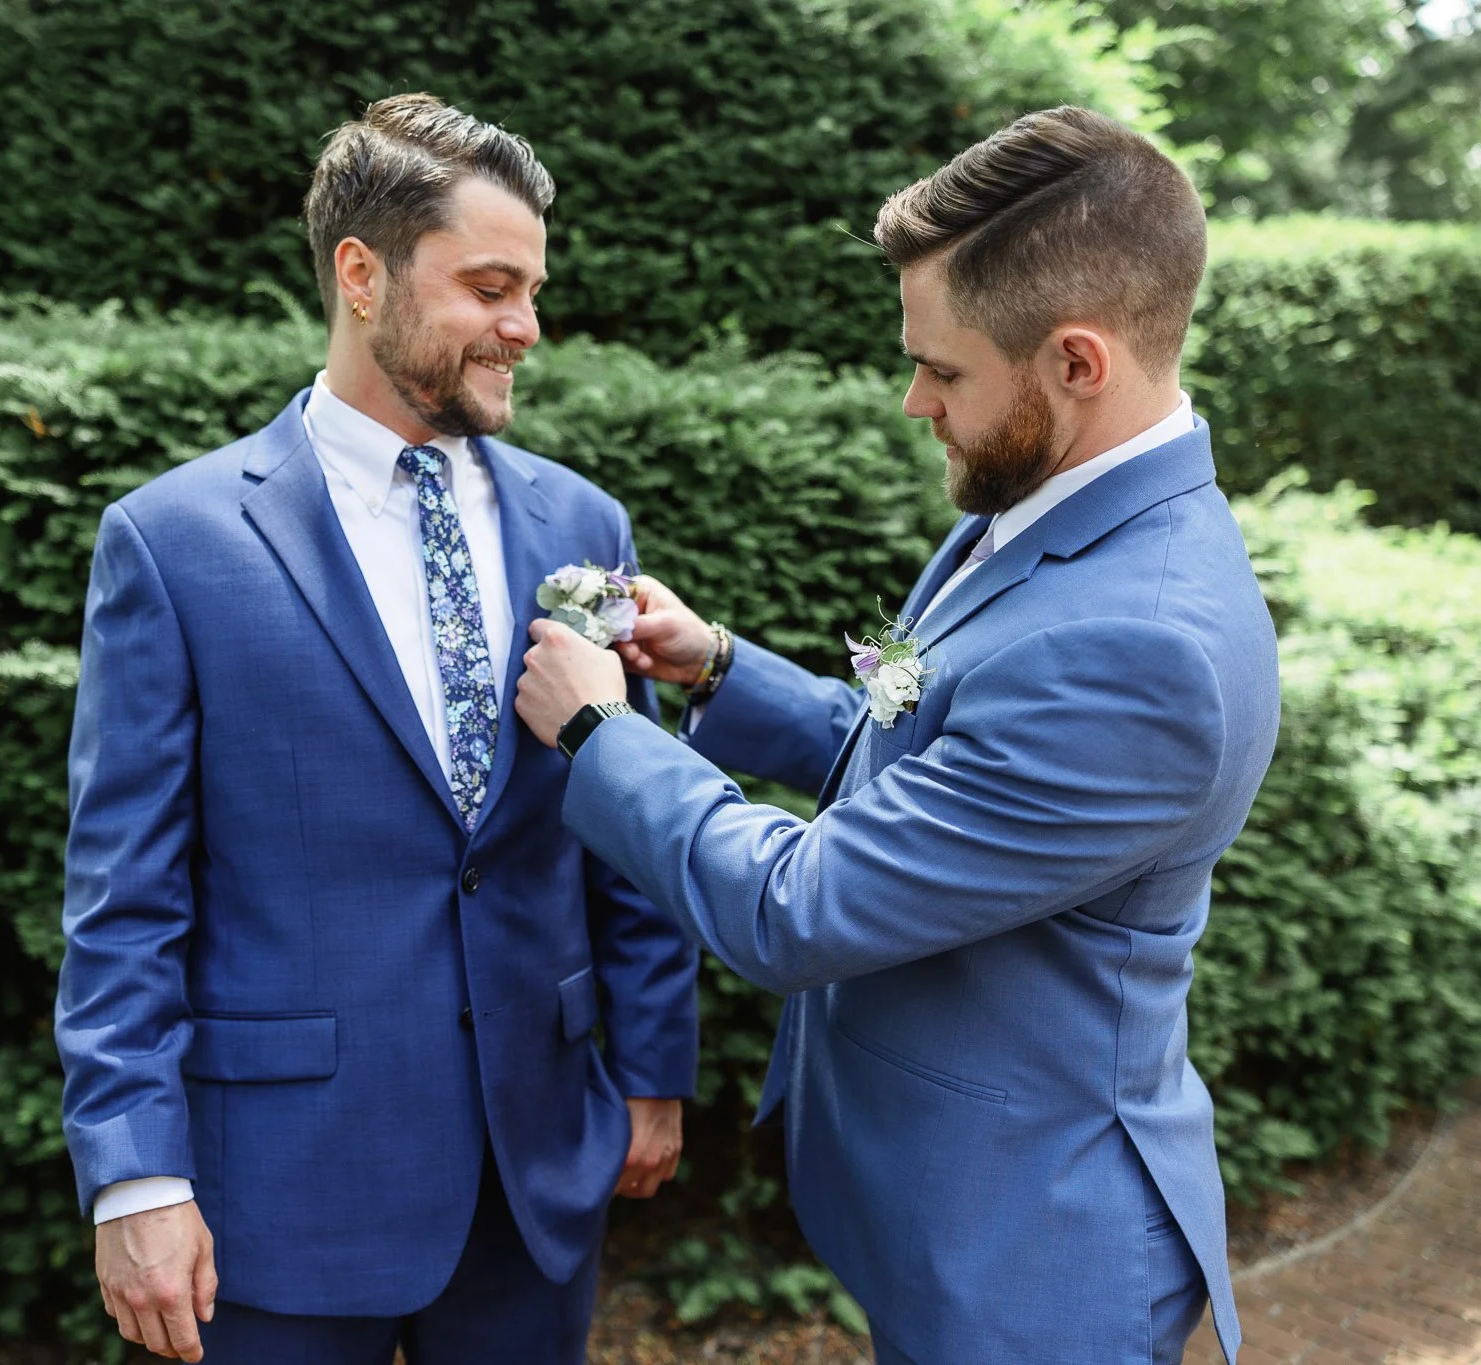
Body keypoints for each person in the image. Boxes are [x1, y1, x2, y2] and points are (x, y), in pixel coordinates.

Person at [515, 105, 1278, 1365]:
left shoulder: (1146, 652)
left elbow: (798, 909)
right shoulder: (1036, 507)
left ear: (1075, 362)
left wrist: (599, 732)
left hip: (1029, 1262)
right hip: (941, 1210)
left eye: (944, 369)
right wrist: (719, 671)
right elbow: (917, 744)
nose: (913, 400)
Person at [56, 93, 698, 1365]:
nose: (525, 326)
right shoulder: (174, 542)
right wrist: (134, 1177)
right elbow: (122, 896)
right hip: (278, 1194)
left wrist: (651, 1063)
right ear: (362, 274)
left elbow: (628, 819)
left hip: (536, 1171)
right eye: (490, 286)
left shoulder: (583, 524)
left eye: (532, 289)